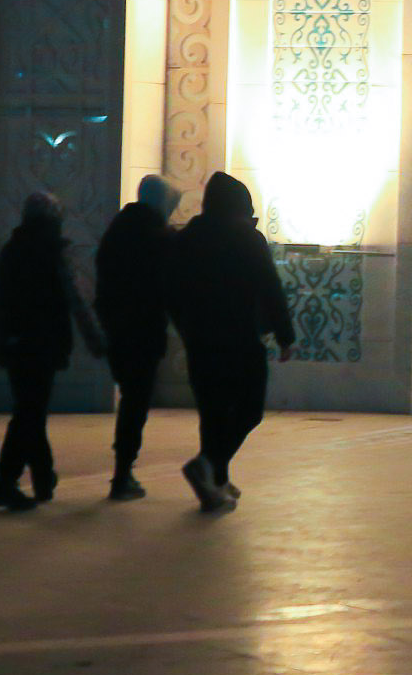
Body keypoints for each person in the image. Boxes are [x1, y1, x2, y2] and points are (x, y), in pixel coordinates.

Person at [164, 172, 293, 512]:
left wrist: (186, 327)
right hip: (240, 338)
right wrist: (285, 336)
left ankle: (216, 482)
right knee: (249, 409)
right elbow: (270, 287)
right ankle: (207, 465)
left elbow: (171, 291)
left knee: (213, 413)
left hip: (200, 341)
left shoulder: (186, 239)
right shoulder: (247, 238)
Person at [0, 193, 104, 511]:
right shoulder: (53, 252)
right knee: (30, 413)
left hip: (16, 343)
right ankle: (5, 481)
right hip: (43, 343)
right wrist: (94, 338)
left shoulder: (11, 250)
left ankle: (43, 477)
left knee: (29, 409)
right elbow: (76, 299)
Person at [94, 175, 180, 499]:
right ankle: (122, 472)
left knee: (131, 396)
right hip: (144, 329)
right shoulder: (159, 237)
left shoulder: (117, 230)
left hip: (116, 327)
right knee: (136, 402)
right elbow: (168, 286)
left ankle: (123, 470)